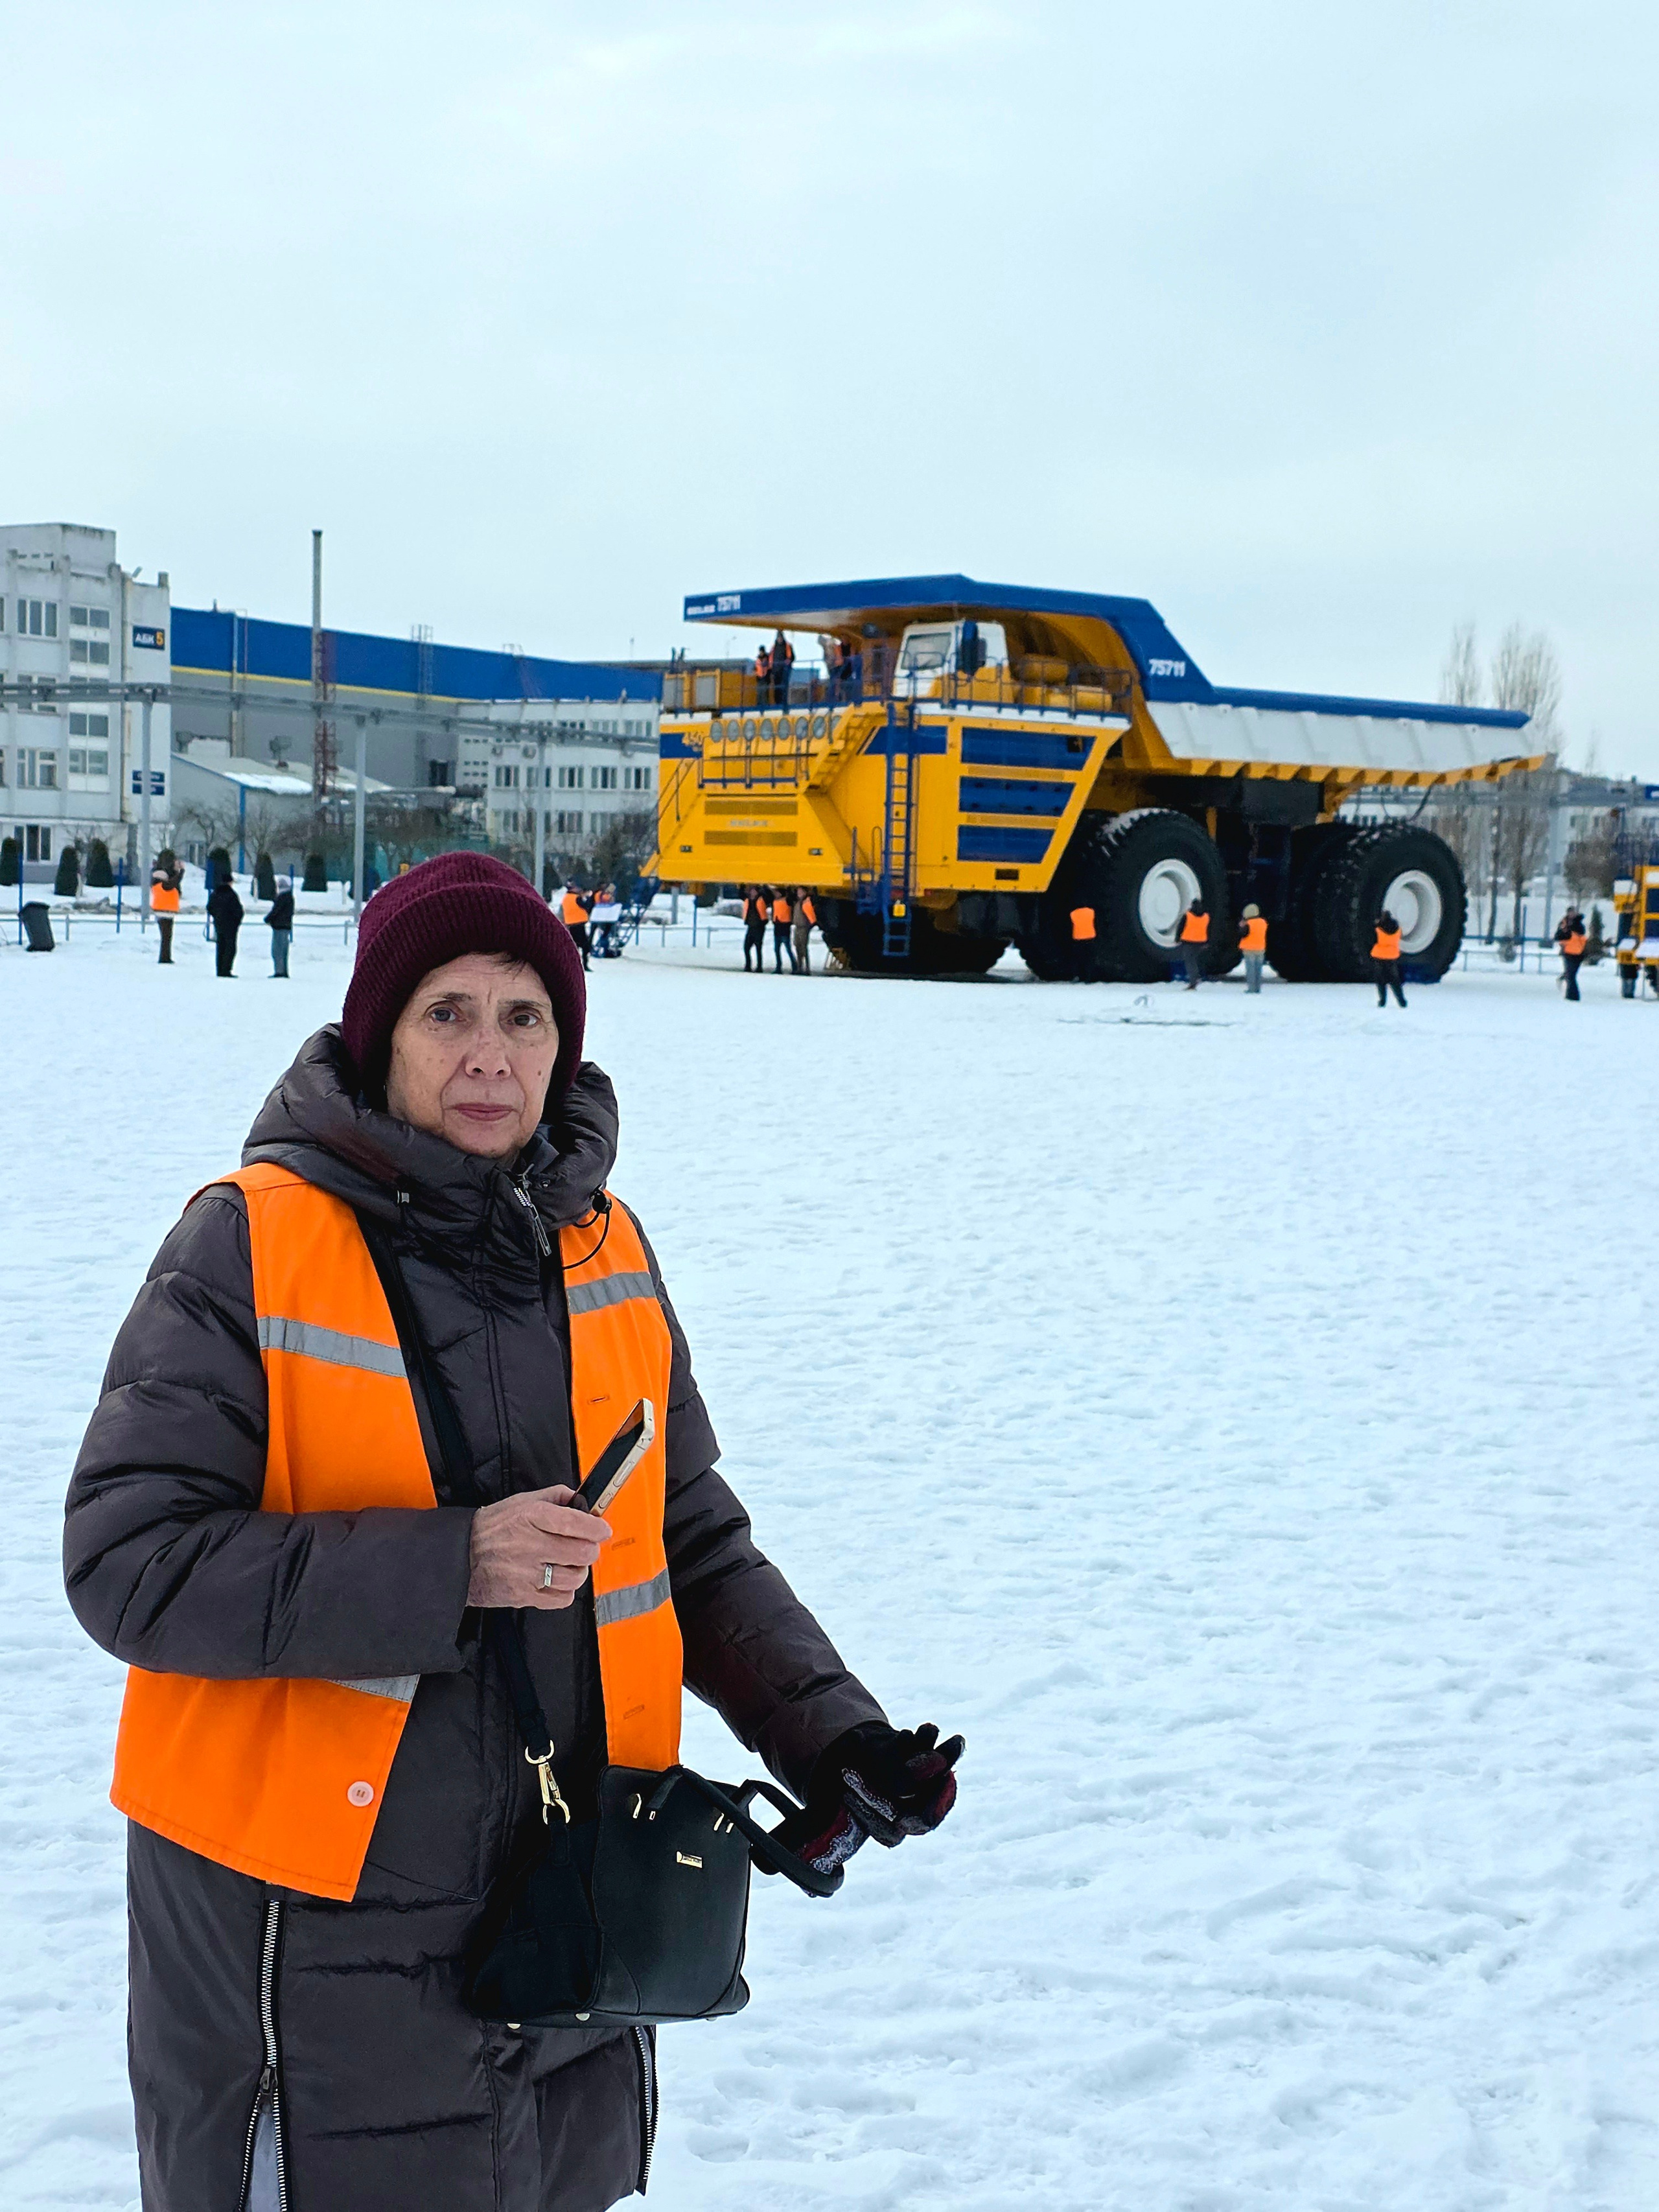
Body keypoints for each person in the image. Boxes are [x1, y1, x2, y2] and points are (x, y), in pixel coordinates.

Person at [64, 851, 960, 2212]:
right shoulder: (247, 1243)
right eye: (447, 1012)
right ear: (379, 1036)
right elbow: (127, 1559)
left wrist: (825, 1726)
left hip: (572, 1900)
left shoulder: (603, 1248)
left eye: (522, 1015)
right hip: (312, 1929)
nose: (489, 1054)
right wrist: (450, 1561)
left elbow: (687, 1534)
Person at [208, 872, 244, 978]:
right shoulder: (232, 894)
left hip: (219, 924)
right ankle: (226, 969)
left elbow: (210, 907)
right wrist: (237, 921)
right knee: (230, 947)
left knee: (220, 946)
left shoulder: (215, 893)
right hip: (231, 925)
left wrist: (217, 917)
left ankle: (220, 969)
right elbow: (238, 910)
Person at [150, 849, 183, 966]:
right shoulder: (164, 885)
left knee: (166, 937)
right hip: (165, 912)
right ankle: (164, 958)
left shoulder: (157, 884)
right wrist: (181, 871)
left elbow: (174, 882)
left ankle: (166, 956)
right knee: (166, 937)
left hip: (163, 911)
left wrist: (176, 870)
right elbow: (175, 881)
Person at [1372, 909, 1406, 1007]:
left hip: (1380, 955)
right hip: (1392, 955)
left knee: (1381, 980)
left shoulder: (1379, 928)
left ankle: (1382, 1001)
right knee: (1395, 980)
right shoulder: (1397, 928)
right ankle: (1402, 1001)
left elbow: (1373, 939)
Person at [266, 875, 295, 978]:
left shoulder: (282, 897)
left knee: (277, 950)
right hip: (286, 926)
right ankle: (284, 971)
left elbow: (276, 911)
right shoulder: (290, 897)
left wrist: (268, 919)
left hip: (279, 926)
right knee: (284, 951)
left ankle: (279, 971)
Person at [1555, 908, 1588, 1000]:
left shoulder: (1579, 924)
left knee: (1571, 975)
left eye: (1573, 913)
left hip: (1578, 953)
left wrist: (1569, 929)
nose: (1571, 915)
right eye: (1570, 913)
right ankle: (1571, 995)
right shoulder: (1563, 923)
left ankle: (1573, 996)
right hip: (1567, 952)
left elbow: (1580, 933)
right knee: (1570, 975)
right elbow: (1558, 936)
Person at [1176, 898, 1208, 990]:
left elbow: (1181, 927)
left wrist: (1177, 938)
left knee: (1190, 962)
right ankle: (1197, 976)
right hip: (1201, 942)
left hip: (1188, 942)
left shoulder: (1188, 915)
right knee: (1196, 961)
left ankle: (1193, 981)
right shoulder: (1206, 916)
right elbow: (1209, 929)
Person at [560, 885, 590, 972]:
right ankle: (584, 964)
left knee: (574, 946)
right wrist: (587, 898)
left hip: (570, 923)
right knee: (585, 946)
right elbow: (587, 906)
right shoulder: (577, 898)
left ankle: (573, 964)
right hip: (579, 923)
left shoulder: (566, 898)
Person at [1239, 903, 1268, 994]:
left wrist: (1241, 927)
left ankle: (1251, 989)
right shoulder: (1263, 922)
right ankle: (1258, 988)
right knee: (1258, 970)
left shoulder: (1248, 924)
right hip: (1260, 948)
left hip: (1249, 949)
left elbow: (1243, 934)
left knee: (1251, 970)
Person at [589, 883, 621, 958]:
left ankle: (594, 948)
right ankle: (604, 949)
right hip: (605, 917)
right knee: (605, 933)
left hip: (597, 916)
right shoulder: (603, 895)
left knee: (596, 933)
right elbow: (607, 902)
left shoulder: (597, 894)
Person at [742, 885, 769, 973]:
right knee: (746, 947)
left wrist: (765, 887)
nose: (753, 893)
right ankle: (748, 965)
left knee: (758, 948)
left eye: (754, 891)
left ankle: (759, 967)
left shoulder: (762, 899)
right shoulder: (748, 900)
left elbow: (768, 896)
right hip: (751, 926)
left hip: (759, 927)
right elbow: (740, 894)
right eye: (751, 891)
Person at [1069, 903, 1096, 981]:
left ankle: (1079, 976)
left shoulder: (1073, 913)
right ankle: (1089, 977)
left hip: (1078, 938)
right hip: (1090, 937)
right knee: (1089, 959)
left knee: (1079, 959)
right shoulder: (1091, 912)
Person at [771, 888, 796, 972]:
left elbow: (791, 897)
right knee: (777, 950)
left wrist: (789, 888)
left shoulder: (787, 900)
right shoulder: (775, 901)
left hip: (785, 927)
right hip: (777, 927)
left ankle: (794, 966)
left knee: (788, 949)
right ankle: (779, 966)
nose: (776, 895)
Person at [792, 890, 815, 975]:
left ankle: (807, 968)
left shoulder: (805, 903)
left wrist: (810, 925)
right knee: (798, 946)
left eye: (801, 892)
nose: (799, 894)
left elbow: (811, 915)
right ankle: (799, 966)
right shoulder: (798, 902)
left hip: (803, 927)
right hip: (797, 927)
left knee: (803, 947)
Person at [770, 631, 795, 707]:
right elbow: (771, 658)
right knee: (777, 688)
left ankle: (783, 704)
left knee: (784, 687)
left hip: (784, 670)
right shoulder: (774, 648)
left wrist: (788, 661)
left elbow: (792, 657)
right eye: (778, 638)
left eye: (780, 637)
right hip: (776, 671)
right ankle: (777, 704)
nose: (780, 639)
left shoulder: (787, 646)